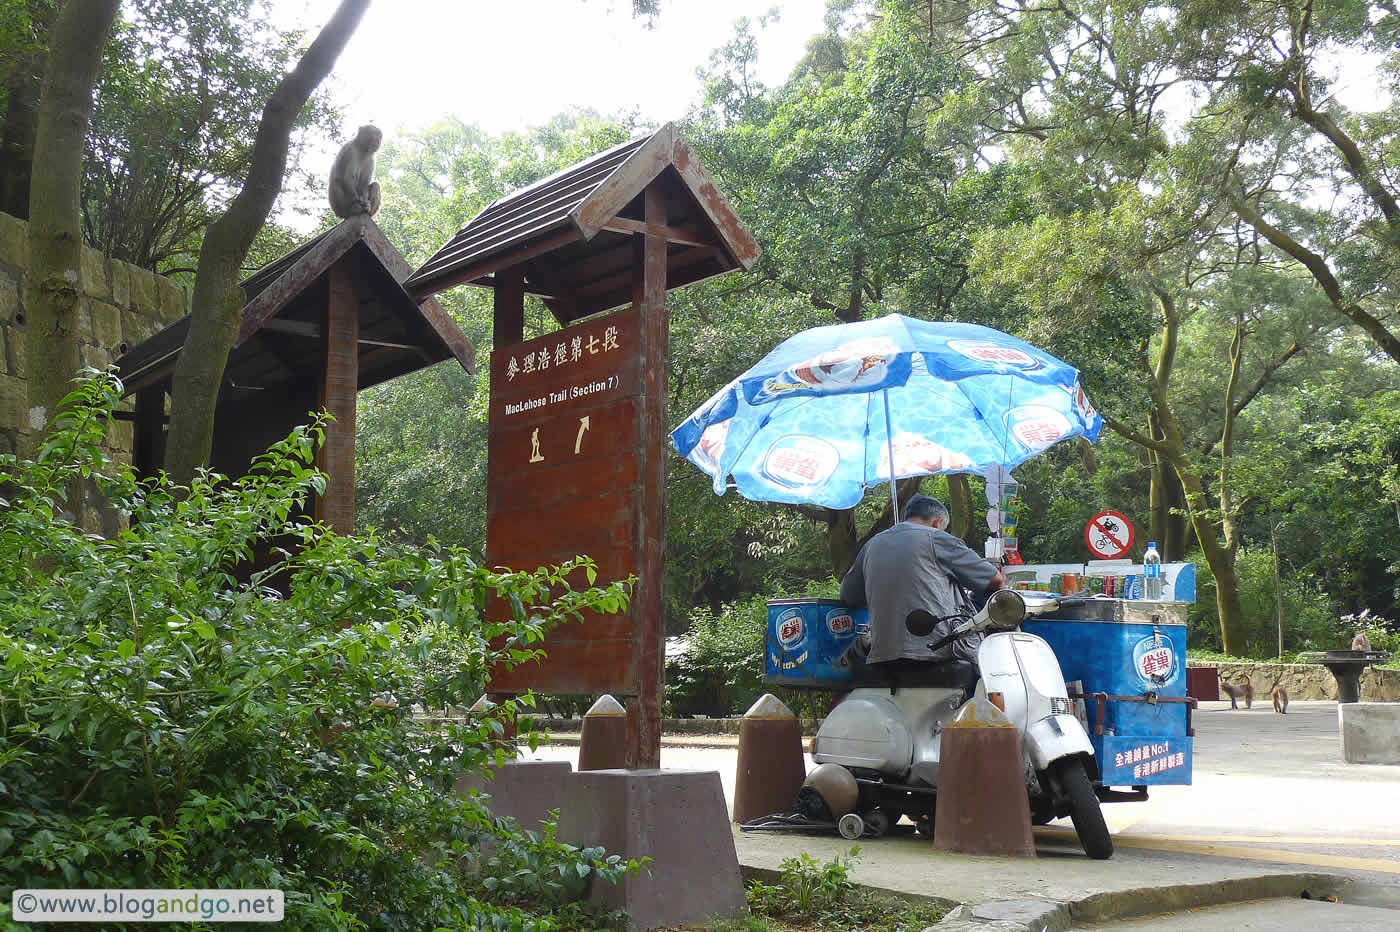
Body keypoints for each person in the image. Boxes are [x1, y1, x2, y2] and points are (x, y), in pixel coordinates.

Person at [839, 494, 1005, 673]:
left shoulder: (871, 545)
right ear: (937, 523)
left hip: (881, 654)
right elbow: (994, 580)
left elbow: (848, 596)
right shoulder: (936, 537)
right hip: (936, 651)